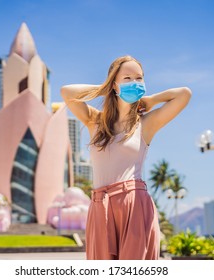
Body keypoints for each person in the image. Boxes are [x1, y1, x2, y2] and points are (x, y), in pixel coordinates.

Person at [61, 55, 191, 260]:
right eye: (127, 78)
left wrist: (152, 100)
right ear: (114, 85)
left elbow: (184, 94)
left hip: (133, 202)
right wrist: (105, 87)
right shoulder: (95, 121)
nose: (135, 83)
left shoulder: (146, 123)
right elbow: (67, 92)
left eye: (139, 78)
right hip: (99, 205)